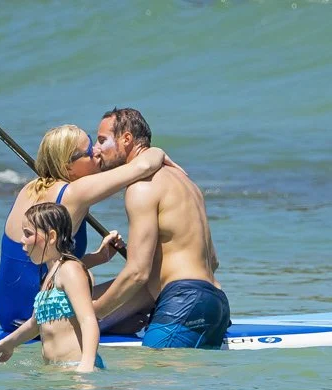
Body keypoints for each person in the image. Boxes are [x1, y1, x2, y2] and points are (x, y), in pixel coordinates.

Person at [0, 124, 183, 332]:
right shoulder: (73, 193)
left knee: (131, 310)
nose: (97, 151)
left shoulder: (30, 189)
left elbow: (44, 269)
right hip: (36, 319)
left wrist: (99, 257)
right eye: (88, 152)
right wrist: (157, 151)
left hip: (11, 316)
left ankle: (115, 324)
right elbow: (143, 167)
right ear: (68, 167)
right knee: (153, 285)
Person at [92, 108, 229, 349]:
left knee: (149, 381)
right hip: (216, 303)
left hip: (183, 303)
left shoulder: (141, 186)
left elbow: (137, 273)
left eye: (102, 140)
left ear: (126, 139)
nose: (96, 148)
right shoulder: (186, 182)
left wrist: (92, 313)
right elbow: (213, 261)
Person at [0, 202, 121, 372]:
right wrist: (9, 343)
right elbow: (35, 324)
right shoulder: (51, 274)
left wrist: (86, 366)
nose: (22, 240)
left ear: (51, 237)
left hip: (76, 367)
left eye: (28, 233)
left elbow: (88, 319)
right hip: (57, 370)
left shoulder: (70, 270)